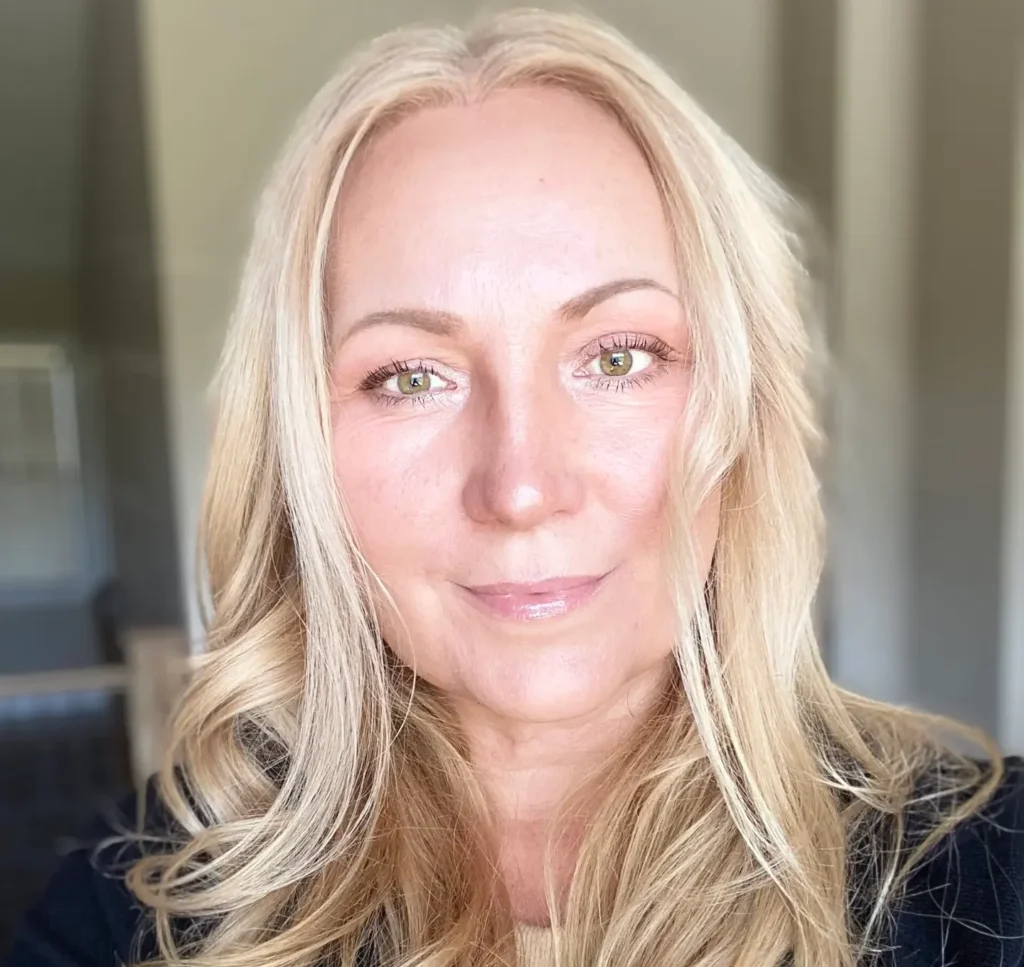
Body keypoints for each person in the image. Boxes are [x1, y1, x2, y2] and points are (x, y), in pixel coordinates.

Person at [7, 8, 1023, 967]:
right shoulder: (134, 909)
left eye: (619, 357)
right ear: (299, 450)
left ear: (743, 411)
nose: (522, 486)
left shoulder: (992, 880)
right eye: (409, 377)